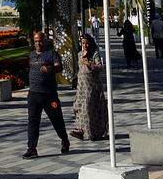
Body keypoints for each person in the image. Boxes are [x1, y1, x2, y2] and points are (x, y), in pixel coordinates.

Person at [22, 30, 70, 158]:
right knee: (33, 121)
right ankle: (32, 147)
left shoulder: (51, 54)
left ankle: (64, 139)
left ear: (45, 41)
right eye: (36, 41)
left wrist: (51, 68)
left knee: (56, 119)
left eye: (41, 41)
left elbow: (59, 67)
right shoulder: (32, 55)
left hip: (49, 95)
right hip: (34, 94)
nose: (38, 43)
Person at [70, 33, 108, 140]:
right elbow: (79, 69)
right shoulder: (79, 54)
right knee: (79, 106)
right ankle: (80, 129)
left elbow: (99, 68)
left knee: (89, 107)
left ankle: (94, 131)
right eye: (83, 44)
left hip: (92, 86)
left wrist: (88, 64)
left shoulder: (94, 54)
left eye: (87, 43)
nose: (85, 46)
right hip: (82, 85)